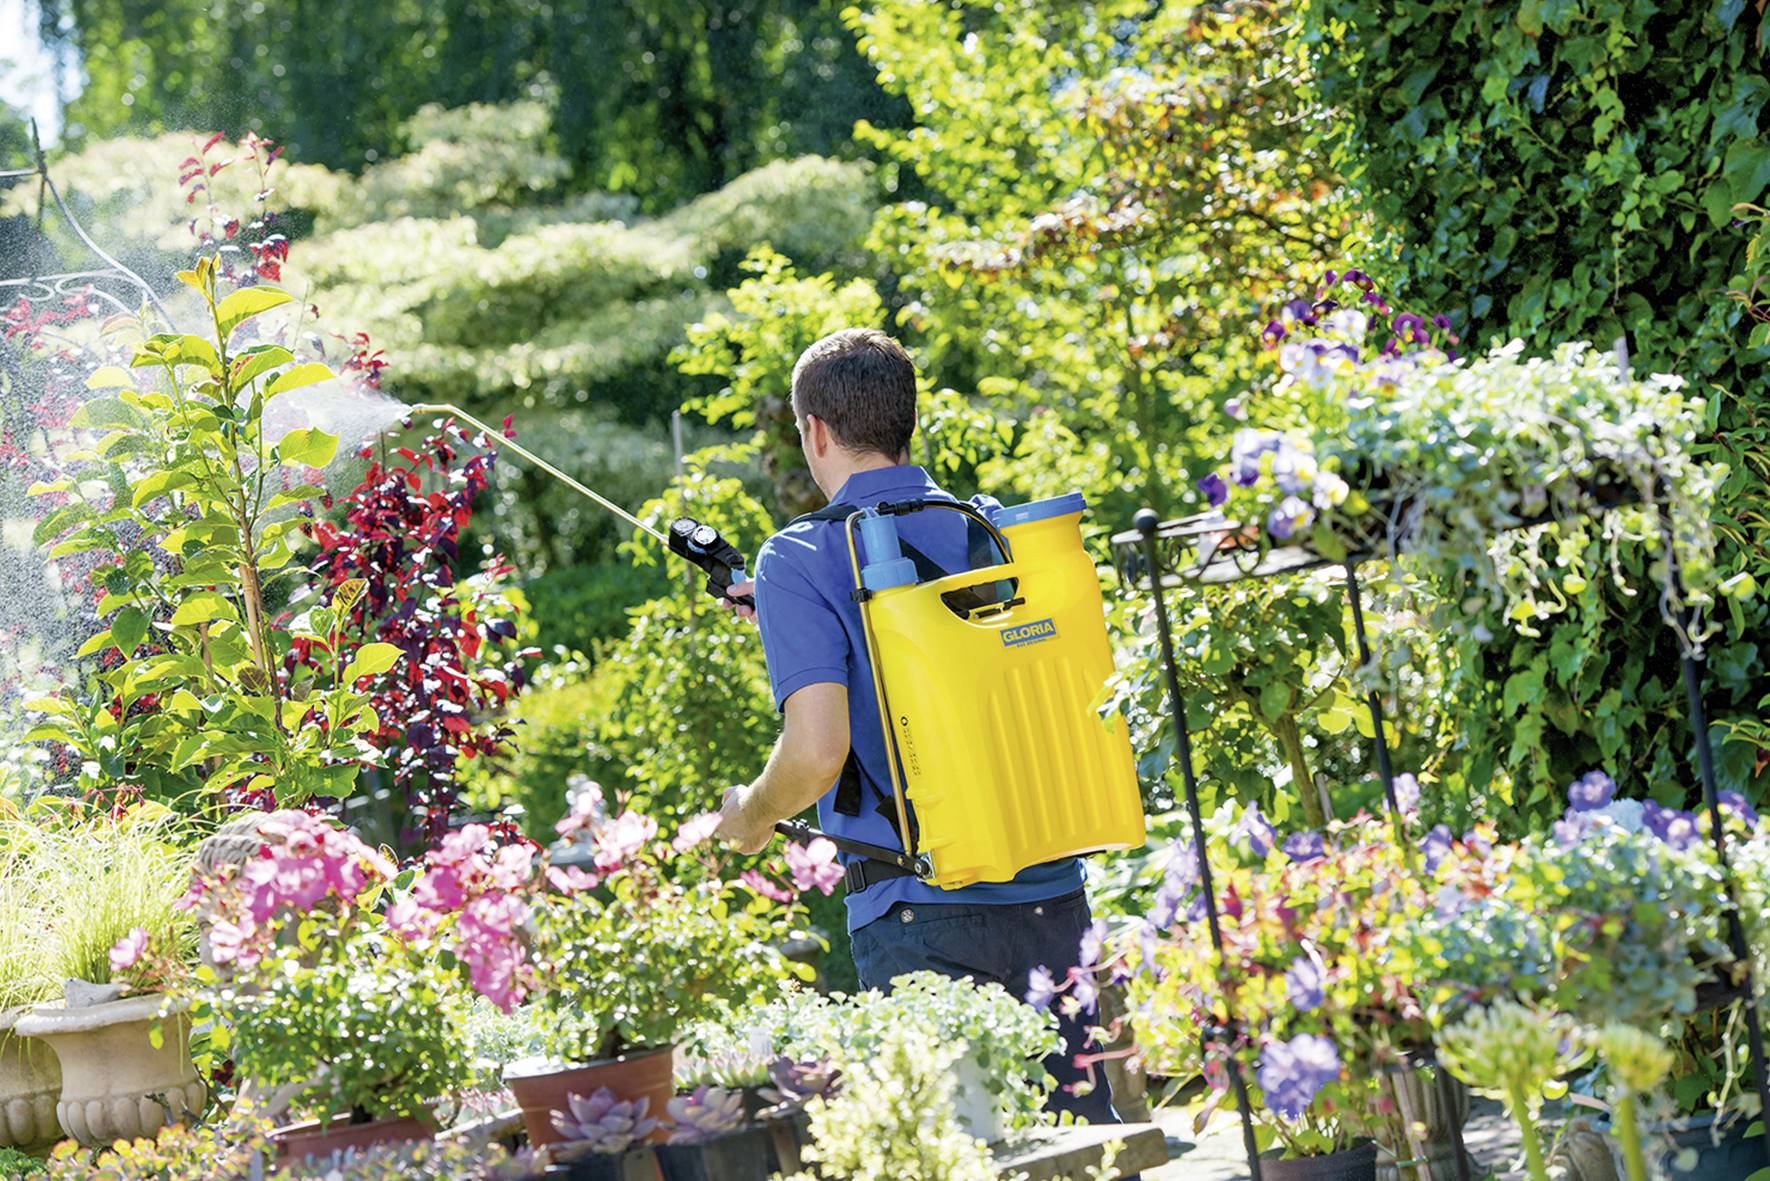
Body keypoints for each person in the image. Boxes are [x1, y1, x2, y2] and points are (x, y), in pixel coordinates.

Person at [714, 327, 1120, 1126]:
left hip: (919, 913)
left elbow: (818, 750)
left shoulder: (795, 557)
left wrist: (753, 815)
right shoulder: (991, 528)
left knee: (964, 1155)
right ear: (907, 420)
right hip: (1053, 895)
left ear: (817, 432)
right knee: (1090, 1151)